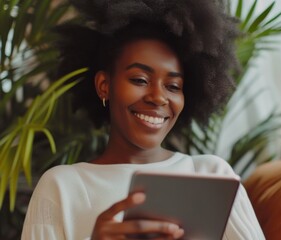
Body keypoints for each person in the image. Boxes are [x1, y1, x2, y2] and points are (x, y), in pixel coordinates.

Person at [21, 0, 265, 239]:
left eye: (173, 85)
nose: (158, 98)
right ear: (104, 86)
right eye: (139, 80)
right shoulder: (61, 186)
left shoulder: (212, 176)